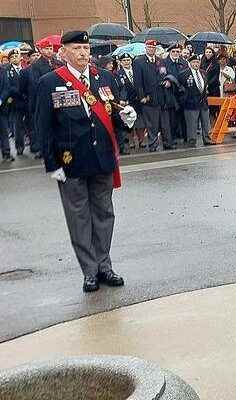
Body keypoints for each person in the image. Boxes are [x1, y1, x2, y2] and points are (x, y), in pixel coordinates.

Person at [36, 30, 137, 293]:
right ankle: (89, 271)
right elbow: (43, 127)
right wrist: (52, 164)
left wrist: (126, 118)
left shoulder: (104, 78)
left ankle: (104, 265)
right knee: (79, 217)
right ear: (64, 52)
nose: (83, 53)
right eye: (77, 49)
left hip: (102, 157)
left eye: (86, 49)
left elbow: (112, 114)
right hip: (70, 160)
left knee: (104, 214)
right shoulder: (50, 82)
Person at [133, 40, 176, 151]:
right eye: (149, 47)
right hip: (149, 97)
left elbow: (166, 74)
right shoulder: (139, 61)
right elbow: (137, 81)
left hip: (162, 96)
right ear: (146, 48)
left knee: (165, 123)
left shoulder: (160, 61)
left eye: (153, 48)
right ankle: (153, 145)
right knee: (152, 124)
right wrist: (141, 96)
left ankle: (167, 143)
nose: (151, 49)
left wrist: (168, 81)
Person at [28, 42, 61, 159]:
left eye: (50, 48)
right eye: (46, 48)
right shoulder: (36, 66)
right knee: (44, 125)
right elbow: (35, 84)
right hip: (44, 100)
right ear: (41, 50)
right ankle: (44, 149)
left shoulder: (57, 63)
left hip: (58, 98)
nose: (49, 51)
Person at [178, 54, 212, 147]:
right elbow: (179, 88)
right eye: (194, 62)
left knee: (206, 122)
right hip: (190, 103)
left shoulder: (204, 73)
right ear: (190, 63)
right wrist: (184, 99)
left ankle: (207, 138)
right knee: (192, 124)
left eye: (197, 62)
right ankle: (192, 140)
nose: (196, 64)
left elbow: (206, 86)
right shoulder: (184, 74)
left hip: (203, 102)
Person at [0, 49, 26, 160]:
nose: (15, 58)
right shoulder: (7, 70)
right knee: (16, 125)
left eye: (17, 56)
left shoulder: (2, 71)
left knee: (3, 130)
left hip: (22, 101)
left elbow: (5, 87)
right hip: (15, 102)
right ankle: (16, 147)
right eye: (12, 57)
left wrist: (1, 99)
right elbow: (9, 87)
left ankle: (6, 152)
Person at [114, 53, 139, 154]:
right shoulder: (118, 74)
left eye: (128, 60)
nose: (126, 62)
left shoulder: (136, 71)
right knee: (128, 122)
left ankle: (140, 140)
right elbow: (120, 89)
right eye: (124, 60)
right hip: (127, 102)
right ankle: (131, 140)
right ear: (120, 62)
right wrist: (123, 99)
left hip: (137, 100)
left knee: (139, 121)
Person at [164, 44, 188, 146]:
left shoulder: (183, 62)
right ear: (170, 52)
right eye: (173, 51)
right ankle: (172, 139)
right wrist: (167, 81)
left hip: (182, 93)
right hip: (170, 93)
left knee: (184, 117)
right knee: (172, 118)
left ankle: (185, 137)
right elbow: (161, 75)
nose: (175, 54)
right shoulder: (164, 63)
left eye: (177, 52)